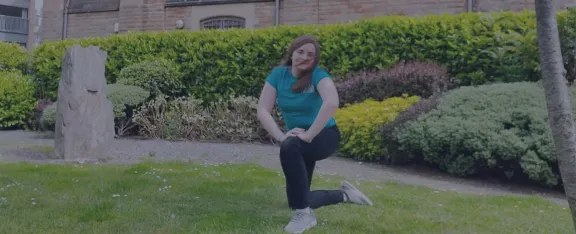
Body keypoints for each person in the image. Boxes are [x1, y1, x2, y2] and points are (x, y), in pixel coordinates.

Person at [256, 34, 373, 234]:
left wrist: (309, 134)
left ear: (315, 60)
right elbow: (262, 110)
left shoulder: (318, 75)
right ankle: (344, 195)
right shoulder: (278, 75)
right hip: (298, 140)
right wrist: (281, 135)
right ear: (292, 52)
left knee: (290, 147)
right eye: (300, 52)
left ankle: (305, 216)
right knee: (297, 199)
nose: (304, 57)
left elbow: (332, 102)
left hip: (324, 135)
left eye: (310, 54)